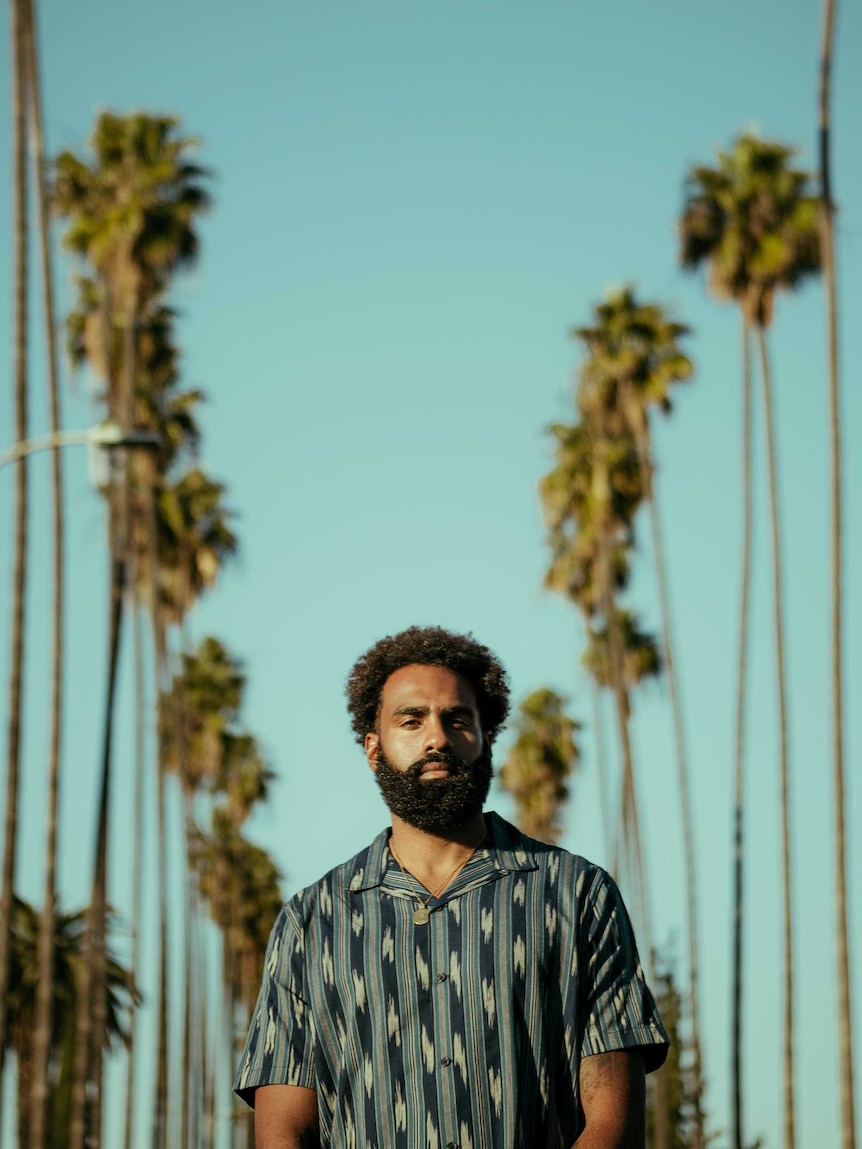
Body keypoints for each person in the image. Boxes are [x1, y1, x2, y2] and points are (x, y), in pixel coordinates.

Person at [235, 625, 668, 1149]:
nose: (436, 737)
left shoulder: (578, 895)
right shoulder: (311, 920)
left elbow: (613, 1123)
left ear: (486, 739)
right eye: (411, 720)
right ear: (374, 749)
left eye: (457, 719)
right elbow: (284, 1130)